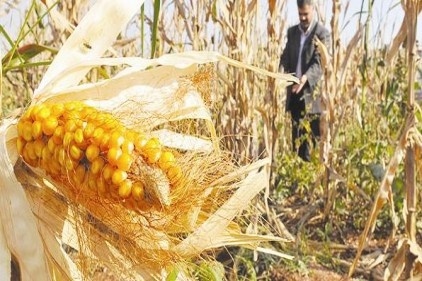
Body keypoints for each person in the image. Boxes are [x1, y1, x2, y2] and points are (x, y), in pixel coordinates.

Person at [279, 0, 330, 162]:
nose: (302, 18)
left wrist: (305, 78)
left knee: (313, 139)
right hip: (294, 93)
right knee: (298, 137)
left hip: (312, 95)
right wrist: (281, 74)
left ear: (313, 11)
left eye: (305, 14)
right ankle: (298, 172)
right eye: (300, 14)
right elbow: (286, 57)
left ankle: (312, 176)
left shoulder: (321, 33)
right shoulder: (292, 32)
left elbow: (319, 62)